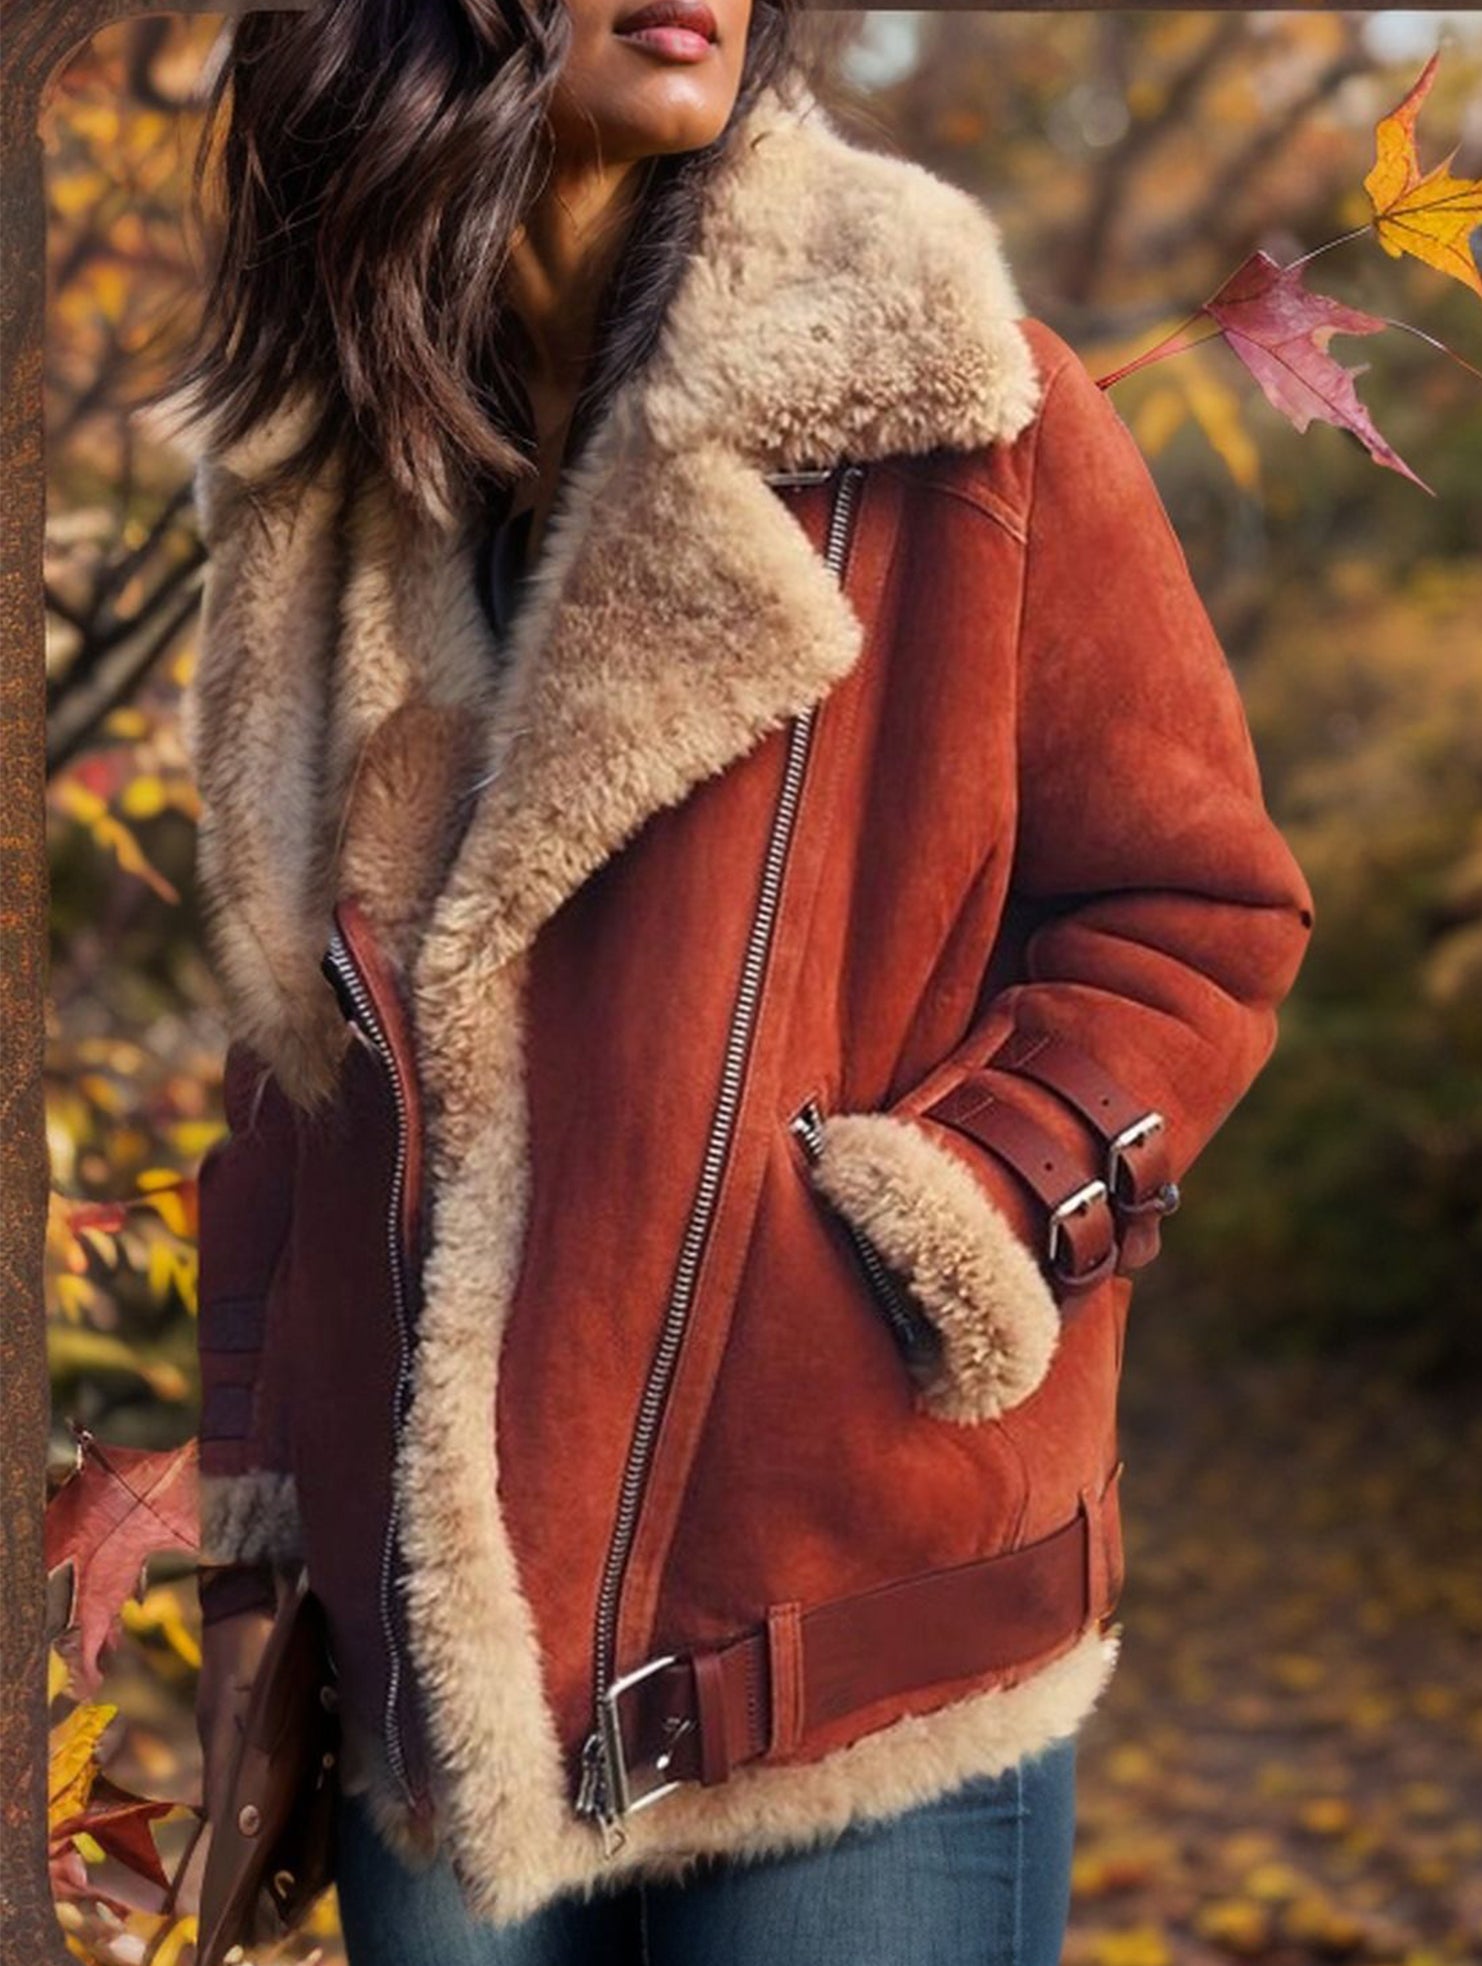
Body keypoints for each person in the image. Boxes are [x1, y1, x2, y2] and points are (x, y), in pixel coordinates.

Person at [149, 0, 1316, 1960]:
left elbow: (1196, 909)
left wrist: (961, 1205)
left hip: (858, 1633)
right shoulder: (323, 505)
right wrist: (261, 1548)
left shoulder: (953, 411)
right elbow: (298, 1083)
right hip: (442, 1668)